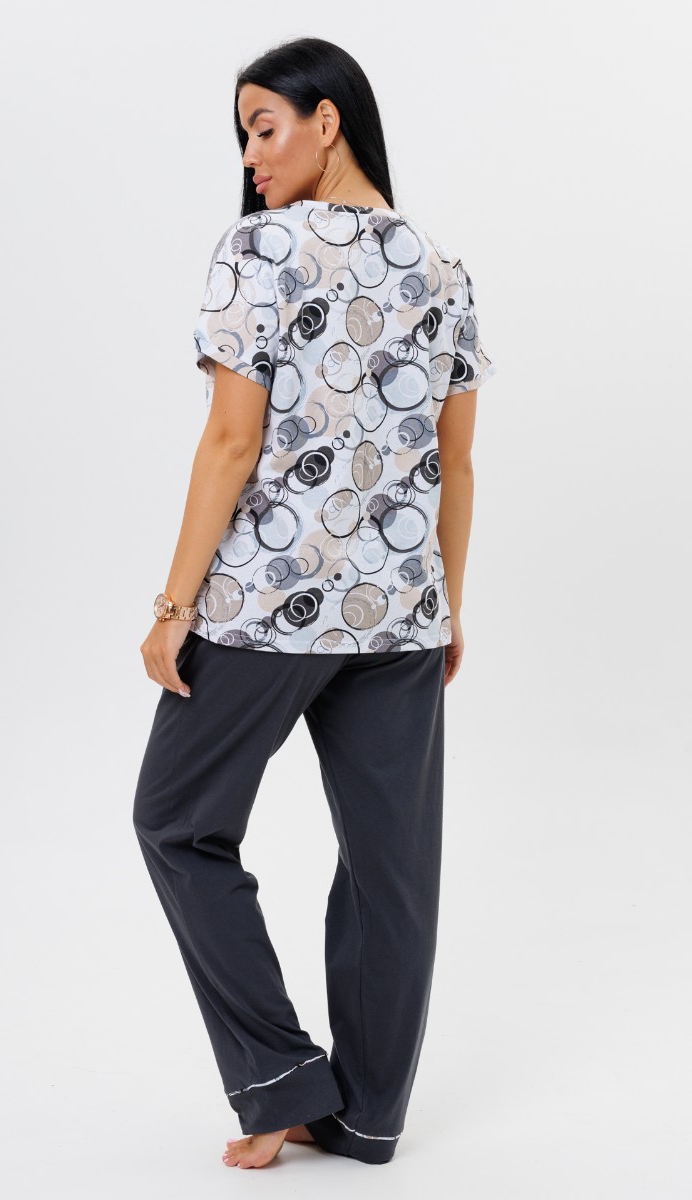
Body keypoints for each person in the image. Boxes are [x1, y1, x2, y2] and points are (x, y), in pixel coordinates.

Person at [132, 35, 497, 1170]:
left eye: (263, 127)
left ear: (326, 120)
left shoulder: (260, 249)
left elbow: (230, 442)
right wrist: (447, 607)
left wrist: (173, 607)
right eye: (243, 137)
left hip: (267, 609)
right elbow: (457, 464)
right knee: (392, 874)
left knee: (174, 821)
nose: (249, 158)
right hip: (401, 615)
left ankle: (282, 1081)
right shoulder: (444, 269)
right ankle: (367, 1116)